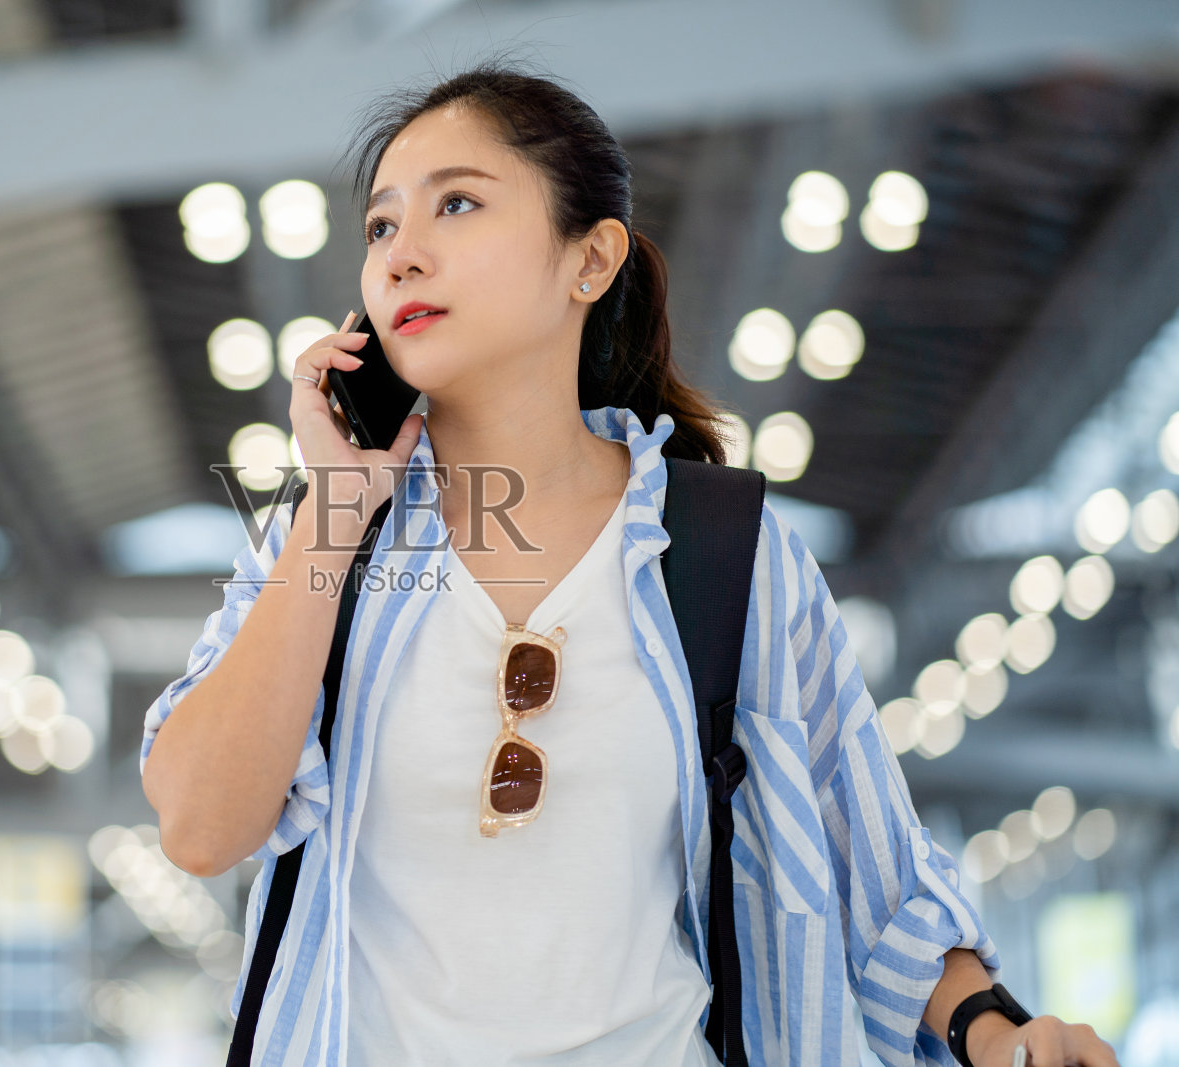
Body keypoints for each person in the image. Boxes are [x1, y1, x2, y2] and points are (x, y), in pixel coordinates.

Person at [140, 59, 1120, 1067]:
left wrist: (997, 1033)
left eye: (457, 205)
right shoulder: (327, 539)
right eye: (382, 227)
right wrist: (336, 509)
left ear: (591, 258)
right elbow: (202, 826)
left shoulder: (724, 551)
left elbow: (871, 870)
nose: (399, 258)